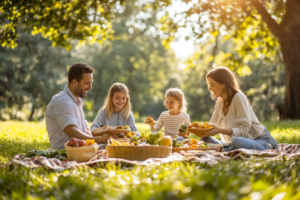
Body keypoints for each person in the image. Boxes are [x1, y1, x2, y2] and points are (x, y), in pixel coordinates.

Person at [200, 67, 278, 151]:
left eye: (212, 85)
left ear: (223, 84)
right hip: (233, 142)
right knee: (205, 139)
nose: (209, 88)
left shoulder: (238, 97)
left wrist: (220, 130)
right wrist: (199, 130)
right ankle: (228, 149)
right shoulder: (220, 102)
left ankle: (268, 147)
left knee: (237, 142)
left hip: (258, 140)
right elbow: (212, 125)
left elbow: (243, 130)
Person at [45, 63, 115, 150]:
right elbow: (72, 132)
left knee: (118, 146)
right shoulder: (63, 101)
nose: (90, 87)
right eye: (87, 84)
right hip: (66, 152)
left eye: (91, 83)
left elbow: (85, 131)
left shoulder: (76, 101)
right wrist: (100, 139)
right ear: (74, 82)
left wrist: (109, 134)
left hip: (82, 148)